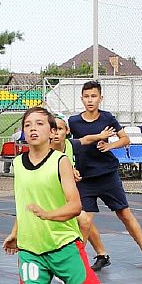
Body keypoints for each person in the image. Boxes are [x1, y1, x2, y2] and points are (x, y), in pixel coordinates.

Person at [3, 107, 116, 284]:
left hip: (64, 245)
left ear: (52, 132)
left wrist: (48, 214)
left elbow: (75, 206)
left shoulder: (60, 161)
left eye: (40, 123)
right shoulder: (18, 164)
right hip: (31, 248)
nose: (32, 128)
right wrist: (15, 231)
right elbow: (24, 203)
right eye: (28, 124)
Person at [68, 80, 142, 270]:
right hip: (85, 178)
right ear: (81, 98)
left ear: (100, 98)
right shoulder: (73, 122)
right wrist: (71, 167)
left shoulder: (107, 118)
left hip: (107, 175)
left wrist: (109, 145)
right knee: (85, 218)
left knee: (124, 214)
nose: (90, 100)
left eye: (94, 96)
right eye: (86, 97)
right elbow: (69, 145)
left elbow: (125, 139)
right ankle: (91, 258)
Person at [51, 114, 114, 271]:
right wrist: (68, 171)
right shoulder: (46, 151)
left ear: (67, 131)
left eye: (60, 129)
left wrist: (101, 136)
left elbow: (86, 139)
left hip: (67, 198)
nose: (56, 133)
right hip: (50, 198)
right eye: (53, 129)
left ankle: (77, 258)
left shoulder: (70, 145)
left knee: (85, 221)